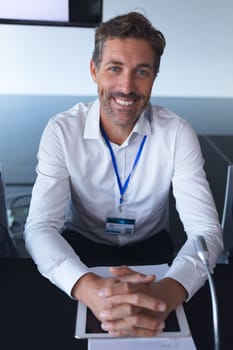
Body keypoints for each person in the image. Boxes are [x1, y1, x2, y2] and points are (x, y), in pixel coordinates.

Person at [24, 12, 223, 337]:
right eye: (115, 68)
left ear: (154, 77)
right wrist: (88, 288)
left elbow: (206, 231)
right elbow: (39, 228)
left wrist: (168, 292)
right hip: (82, 249)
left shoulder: (176, 132)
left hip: (153, 251)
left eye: (141, 72)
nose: (126, 87)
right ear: (94, 70)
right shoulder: (61, 131)